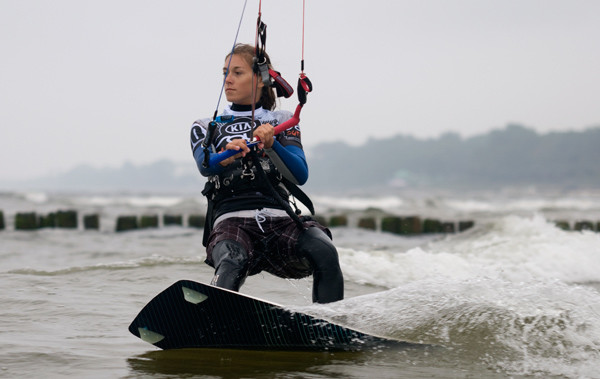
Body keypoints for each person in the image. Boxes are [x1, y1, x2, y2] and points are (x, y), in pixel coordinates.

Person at [190, 43, 344, 304]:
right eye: (225, 72)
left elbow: (300, 174)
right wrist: (227, 154)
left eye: (237, 73)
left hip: (280, 221)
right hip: (232, 221)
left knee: (324, 249)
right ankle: (212, 320)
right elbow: (205, 165)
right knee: (232, 260)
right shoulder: (207, 126)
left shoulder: (280, 120)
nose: (228, 79)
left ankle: (330, 324)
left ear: (260, 79)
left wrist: (273, 145)